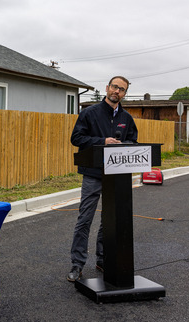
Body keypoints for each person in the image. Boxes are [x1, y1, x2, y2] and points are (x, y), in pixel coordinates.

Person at [66, 76, 138, 282]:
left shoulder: (127, 118)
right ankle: (77, 264)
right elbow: (76, 139)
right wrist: (102, 141)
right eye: (115, 87)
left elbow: (133, 141)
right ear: (107, 88)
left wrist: (126, 146)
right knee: (85, 219)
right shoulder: (89, 113)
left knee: (109, 221)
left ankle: (103, 259)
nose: (117, 91)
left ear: (124, 94)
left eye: (122, 89)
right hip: (93, 174)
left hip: (117, 177)